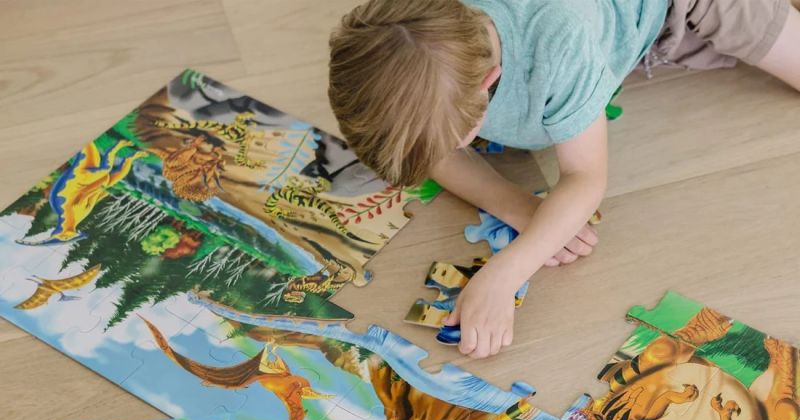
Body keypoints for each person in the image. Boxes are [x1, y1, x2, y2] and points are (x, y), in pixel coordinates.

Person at [328, 0, 800, 358]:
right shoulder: (414, 31)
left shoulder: (559, 42)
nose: (445, 152)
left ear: (487, 83)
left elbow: (585, 177)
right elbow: (431, 152)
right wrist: (515, 204)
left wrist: (504, 274)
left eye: (453, 138)